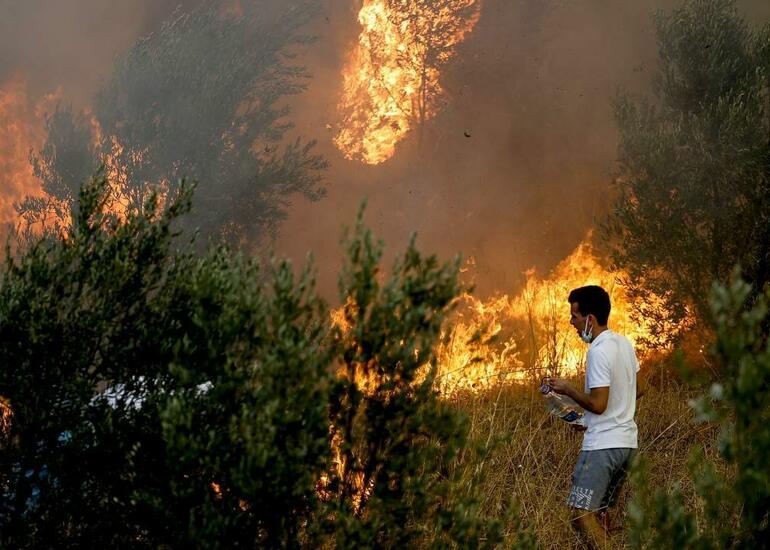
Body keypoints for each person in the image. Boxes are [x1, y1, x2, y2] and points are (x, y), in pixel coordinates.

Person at [548, 285, 644, 549]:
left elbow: (599, 404)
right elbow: (639, 387)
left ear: (589, 319)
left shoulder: (598, 351)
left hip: (602, 448)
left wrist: (568, 390)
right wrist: (589, 419)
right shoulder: (623, 343)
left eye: (575, 316)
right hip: (626, 444)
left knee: (581, 514)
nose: (571, 322)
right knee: (599, 515)